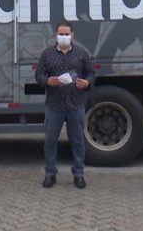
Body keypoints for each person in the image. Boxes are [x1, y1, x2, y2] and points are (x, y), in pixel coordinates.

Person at [35, 21, 95, 189]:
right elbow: (39, 75)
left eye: (66, 34)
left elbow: (91, 72)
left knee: (77, 141)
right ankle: (50, 174)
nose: (63, 37)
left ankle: (79, 174)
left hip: (76, 104)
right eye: (61, 34)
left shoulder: (81, 53)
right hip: (54, 105)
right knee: (50, 141)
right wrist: (47, 81)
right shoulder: (47, 54)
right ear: (55, 35)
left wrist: (87, 83)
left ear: (72, 35)